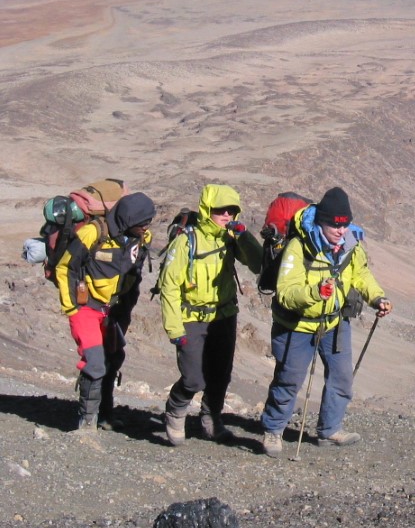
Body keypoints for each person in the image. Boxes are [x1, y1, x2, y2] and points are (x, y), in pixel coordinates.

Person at [260, 186, 391, 457]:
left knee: (342, 377)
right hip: (297, 325)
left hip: (334, 321)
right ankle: (273, 431)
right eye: (335, 225)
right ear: (322, 220)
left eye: (344, 225)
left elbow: (361, 276)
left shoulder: (350, 245)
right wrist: (315, 293)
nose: (341, 231)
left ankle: (330, 429)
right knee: (288, 379)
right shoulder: (299, 247)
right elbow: (286, 292)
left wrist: (377, 298)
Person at [158, 184, 262, 446]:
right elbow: (169, 286)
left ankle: (211, 420)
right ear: (207, 210)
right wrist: (175, 329)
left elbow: (258, 263)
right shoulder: (186, 241)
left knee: (221, 374)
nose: (226, 215)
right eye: (220, 210)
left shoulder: (231, 237)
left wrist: (244, 236)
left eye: (232, 210)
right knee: (194, 378)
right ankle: (176, 409)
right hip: (192, 318)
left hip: (224, 316)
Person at [55, 192, 155, 431]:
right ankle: (87, 421)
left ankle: (105, 414)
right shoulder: (93, 233)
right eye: (142, 222)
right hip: (87, 307)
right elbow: (65, 267)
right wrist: (72, 308)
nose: (146, 227)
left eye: (148, 222)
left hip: (115, 309)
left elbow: (135, 273)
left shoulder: (141, 237)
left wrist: (127, 306)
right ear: (128, 219)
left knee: (113, 357)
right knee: (95, 362)